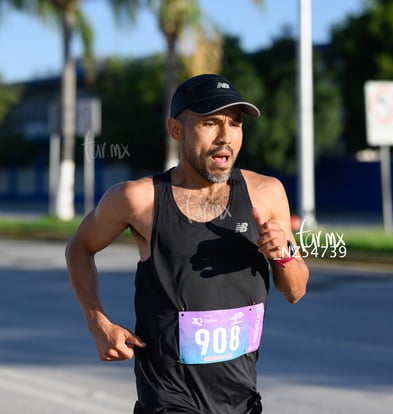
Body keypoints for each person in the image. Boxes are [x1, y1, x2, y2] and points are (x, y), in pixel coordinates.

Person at [66, 73, 309, 414]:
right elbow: (79, 247)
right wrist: (98, 323)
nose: (226, 137)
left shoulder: (266, 194)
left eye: (235, 124)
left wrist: (283, 255)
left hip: (241, 400)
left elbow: (295, 290)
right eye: (210, 123)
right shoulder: (139, 199)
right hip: (169, 400)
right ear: (176, 129)